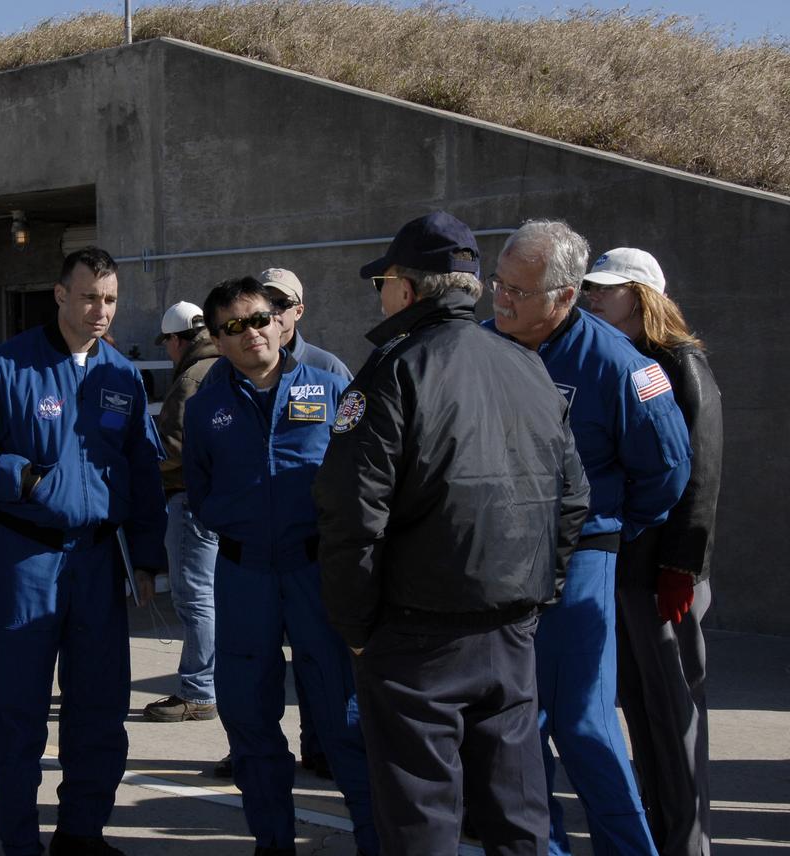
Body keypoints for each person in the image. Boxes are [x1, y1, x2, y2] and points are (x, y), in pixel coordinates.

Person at [314, 211, 590, 855]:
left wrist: (356, 629)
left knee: (421, 819)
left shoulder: (393, 370)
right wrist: (538, 594)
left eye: (382, 281)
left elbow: (351, 512)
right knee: (517, 811)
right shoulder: (527, 366)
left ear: (406, 290)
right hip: (509, 630)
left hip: (418, 636)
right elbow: (572, 498)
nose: (380, 294)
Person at [0, 247, 167, 856]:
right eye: (89, 296)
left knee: (99, 708)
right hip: (29, 557)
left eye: (111, 299)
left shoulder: (122, 374)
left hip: (98, 559)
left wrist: (146, 557)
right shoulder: (7, 367)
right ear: (61, 295)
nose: (100, 310)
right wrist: (27, 479)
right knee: (19, 710)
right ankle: (20, 842)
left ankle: (81, 835)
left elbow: (143, 469)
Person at [486, 220, 692, 856]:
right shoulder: (485, 345)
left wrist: (605, 533)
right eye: (498, 284)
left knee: (583, 725)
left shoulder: (618, 366)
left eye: (519, 291)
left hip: (578, 563)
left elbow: (668, 469)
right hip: (498, 560)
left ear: (565, 296)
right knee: (517, 727)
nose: (501, 299)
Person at [182, 277, 378, 856]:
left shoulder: (333, 385)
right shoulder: (205, 406)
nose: (252, 334)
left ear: (282, 318)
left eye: (260, 318)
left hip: (318, 575)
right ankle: (273, 841)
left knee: (344, 717)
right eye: (233, 327)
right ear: (218, 339)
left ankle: (374, 838)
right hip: (244, 578)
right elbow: (199, 488)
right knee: (248, 715)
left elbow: (364, 475)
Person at [582, 248, 722, 856]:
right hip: (630, 568)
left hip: (666, 574)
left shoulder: (681, 364)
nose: (592, 297)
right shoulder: (625, 360)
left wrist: (681, 568)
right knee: (641, 710)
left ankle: (687, 844)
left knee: (677, 714)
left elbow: (700, 476)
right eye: (589, 287)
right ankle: (662, 836)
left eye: (605, 290)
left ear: (641, 296)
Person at [142, 301, 221, 723]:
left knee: (195, 600)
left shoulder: (192, 376)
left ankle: (198, 690)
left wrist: (139, 463)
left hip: (191, 499)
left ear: (176, 340)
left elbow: (174, 445)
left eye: (168, 343)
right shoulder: (227, 366)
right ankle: (211, 683)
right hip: (222, 502)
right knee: (215, 598)